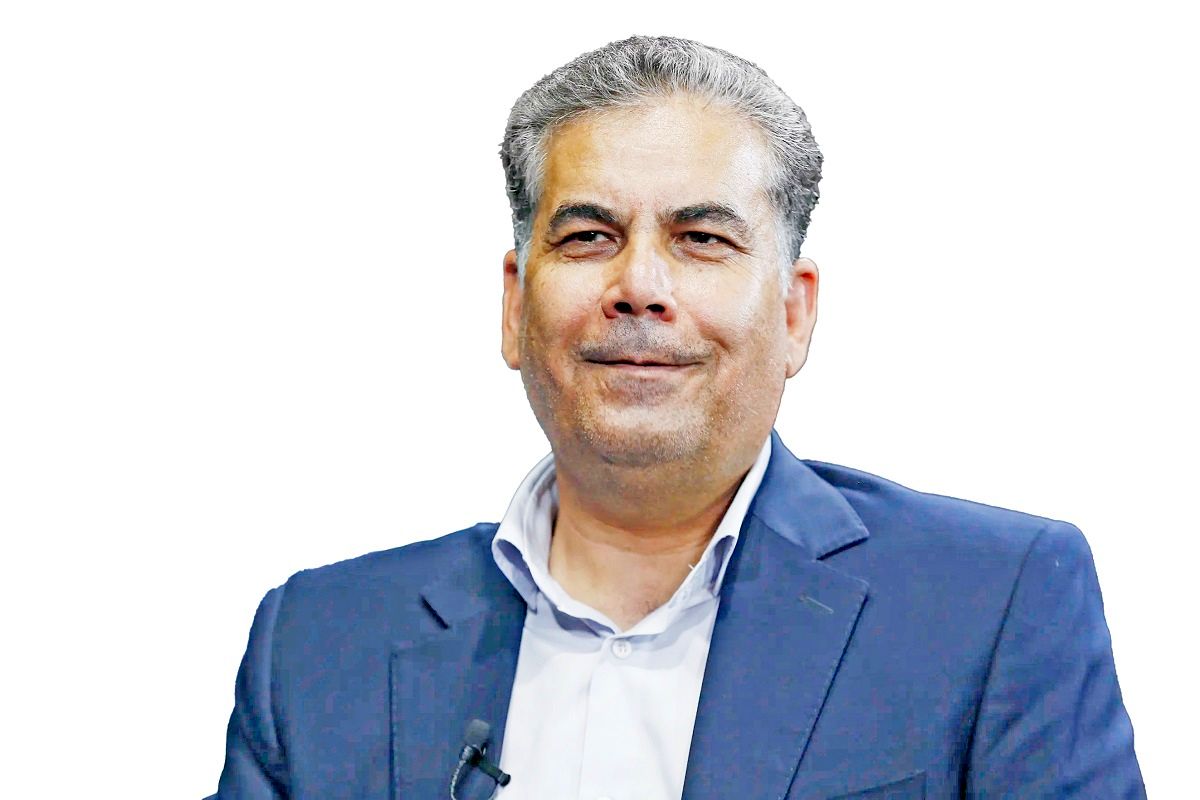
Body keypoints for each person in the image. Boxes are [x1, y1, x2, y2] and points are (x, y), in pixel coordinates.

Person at [211, 35, 1144, 799]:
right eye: (589, 237)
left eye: (701, 239)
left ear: (794, 314)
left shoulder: (992, 604)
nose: (640, 287)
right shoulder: (319, 644)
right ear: (514, 303)